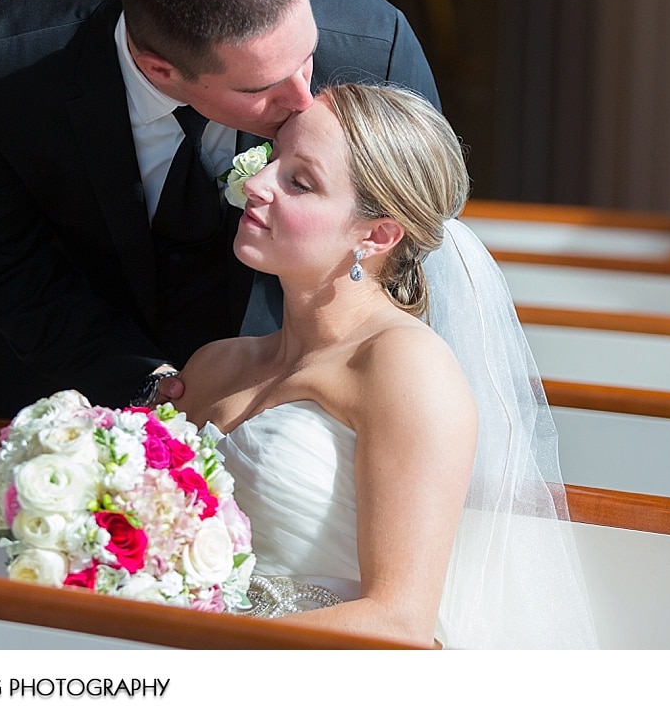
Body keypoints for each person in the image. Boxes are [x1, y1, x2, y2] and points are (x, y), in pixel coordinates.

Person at [0, 0, 439, 419]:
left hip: (292, 405)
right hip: (63, 393)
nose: (301, 99)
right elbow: (0, 259)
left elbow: (404, 241)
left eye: (308, 55)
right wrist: (137, 381)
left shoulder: (374, 48)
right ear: (161, 71)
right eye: (262, 87)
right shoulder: (4, 64)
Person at [176, 83, 598, 649]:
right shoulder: (213, 364)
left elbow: (398, 621)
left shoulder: (403, 366)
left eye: (299, 181)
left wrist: (192, 650)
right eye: (272, 159)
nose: (255, 183)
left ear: (376, 235)